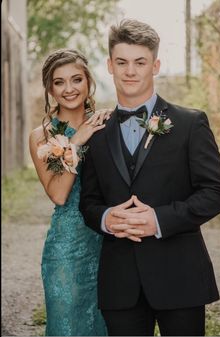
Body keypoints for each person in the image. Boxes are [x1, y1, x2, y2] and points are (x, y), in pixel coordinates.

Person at [79, 19, 220, 336]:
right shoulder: (95, 131)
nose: (130, 71)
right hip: (120, 284)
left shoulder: (191, 123)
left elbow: (216, 192)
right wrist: (107, 218)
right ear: (109, 65)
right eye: (121, 62)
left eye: (140, 62)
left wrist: (159, 220)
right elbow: (89, 202)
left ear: (155, 65)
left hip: (181, 277)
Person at [29, 48, 110, 336]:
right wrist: (76, 141)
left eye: (76, 79)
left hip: (111, 246)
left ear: (88, 81)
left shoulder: (107, 123)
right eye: (59, 82)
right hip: (67, 251)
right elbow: (59, 195)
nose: (69, 89)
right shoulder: (43, 136)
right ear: (50, 88)